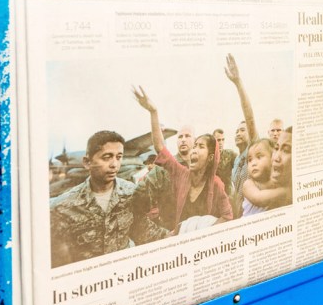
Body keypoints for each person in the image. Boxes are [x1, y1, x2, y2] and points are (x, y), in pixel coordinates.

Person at [50, 131, 168, 268]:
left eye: (119, 157)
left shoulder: (132, 194)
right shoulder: (61, 207)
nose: (114, 164)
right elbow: (58, 261)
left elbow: (145, 232)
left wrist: (180, 233)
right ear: (87, 162)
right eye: (107, 157)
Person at [133, 86, 232, 230]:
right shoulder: (181, 174)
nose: (194, 150)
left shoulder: (216, 185)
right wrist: (153, 112)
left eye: (200, 146)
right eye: (195, 146)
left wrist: (206, 232)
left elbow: (228, 216)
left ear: (211, 158)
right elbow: (160, 147)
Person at [225, 54, 259, 218]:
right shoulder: (237, 160)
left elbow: (249, 118)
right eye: (237, 131)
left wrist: (238, 83)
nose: (238, 133)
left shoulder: (253, 149)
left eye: (242, 130)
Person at [243, 126, 293, 210]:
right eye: (250, 160)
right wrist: (286, 192)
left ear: (271, 159)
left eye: (259, 157)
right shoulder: (248, 184)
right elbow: (258, 198)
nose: (253, 164)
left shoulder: (276, 182)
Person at [213, 128, 237, 198]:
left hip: (228, 194)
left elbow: (241, 163)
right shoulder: (208, 157)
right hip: (214, 195)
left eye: (223, 140)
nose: (221, 142)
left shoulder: (230, 154)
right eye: (218, 140)